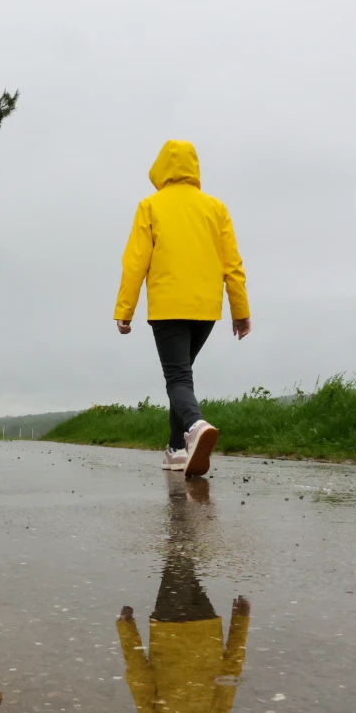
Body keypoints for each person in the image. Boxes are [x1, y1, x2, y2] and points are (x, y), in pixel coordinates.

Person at [114, 140, 251, 475]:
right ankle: (176, 450)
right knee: (182, 376)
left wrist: (125, 310)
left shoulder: (151, 206)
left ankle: (194, 427)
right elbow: (232, 264)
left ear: (162, 167)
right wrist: (240, 310)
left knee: (177, 377)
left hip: (168, 306)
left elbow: (135, 263)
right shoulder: (215, 208)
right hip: (206, 310)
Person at [116, 477, 250, 713]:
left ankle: (188, 505)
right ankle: (182, 501)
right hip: (169, 626)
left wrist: (240, 621)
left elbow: (232, 670)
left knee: (184, 563)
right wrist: (126, 628)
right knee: (177, 558)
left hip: (206, 625)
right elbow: (139, 676)